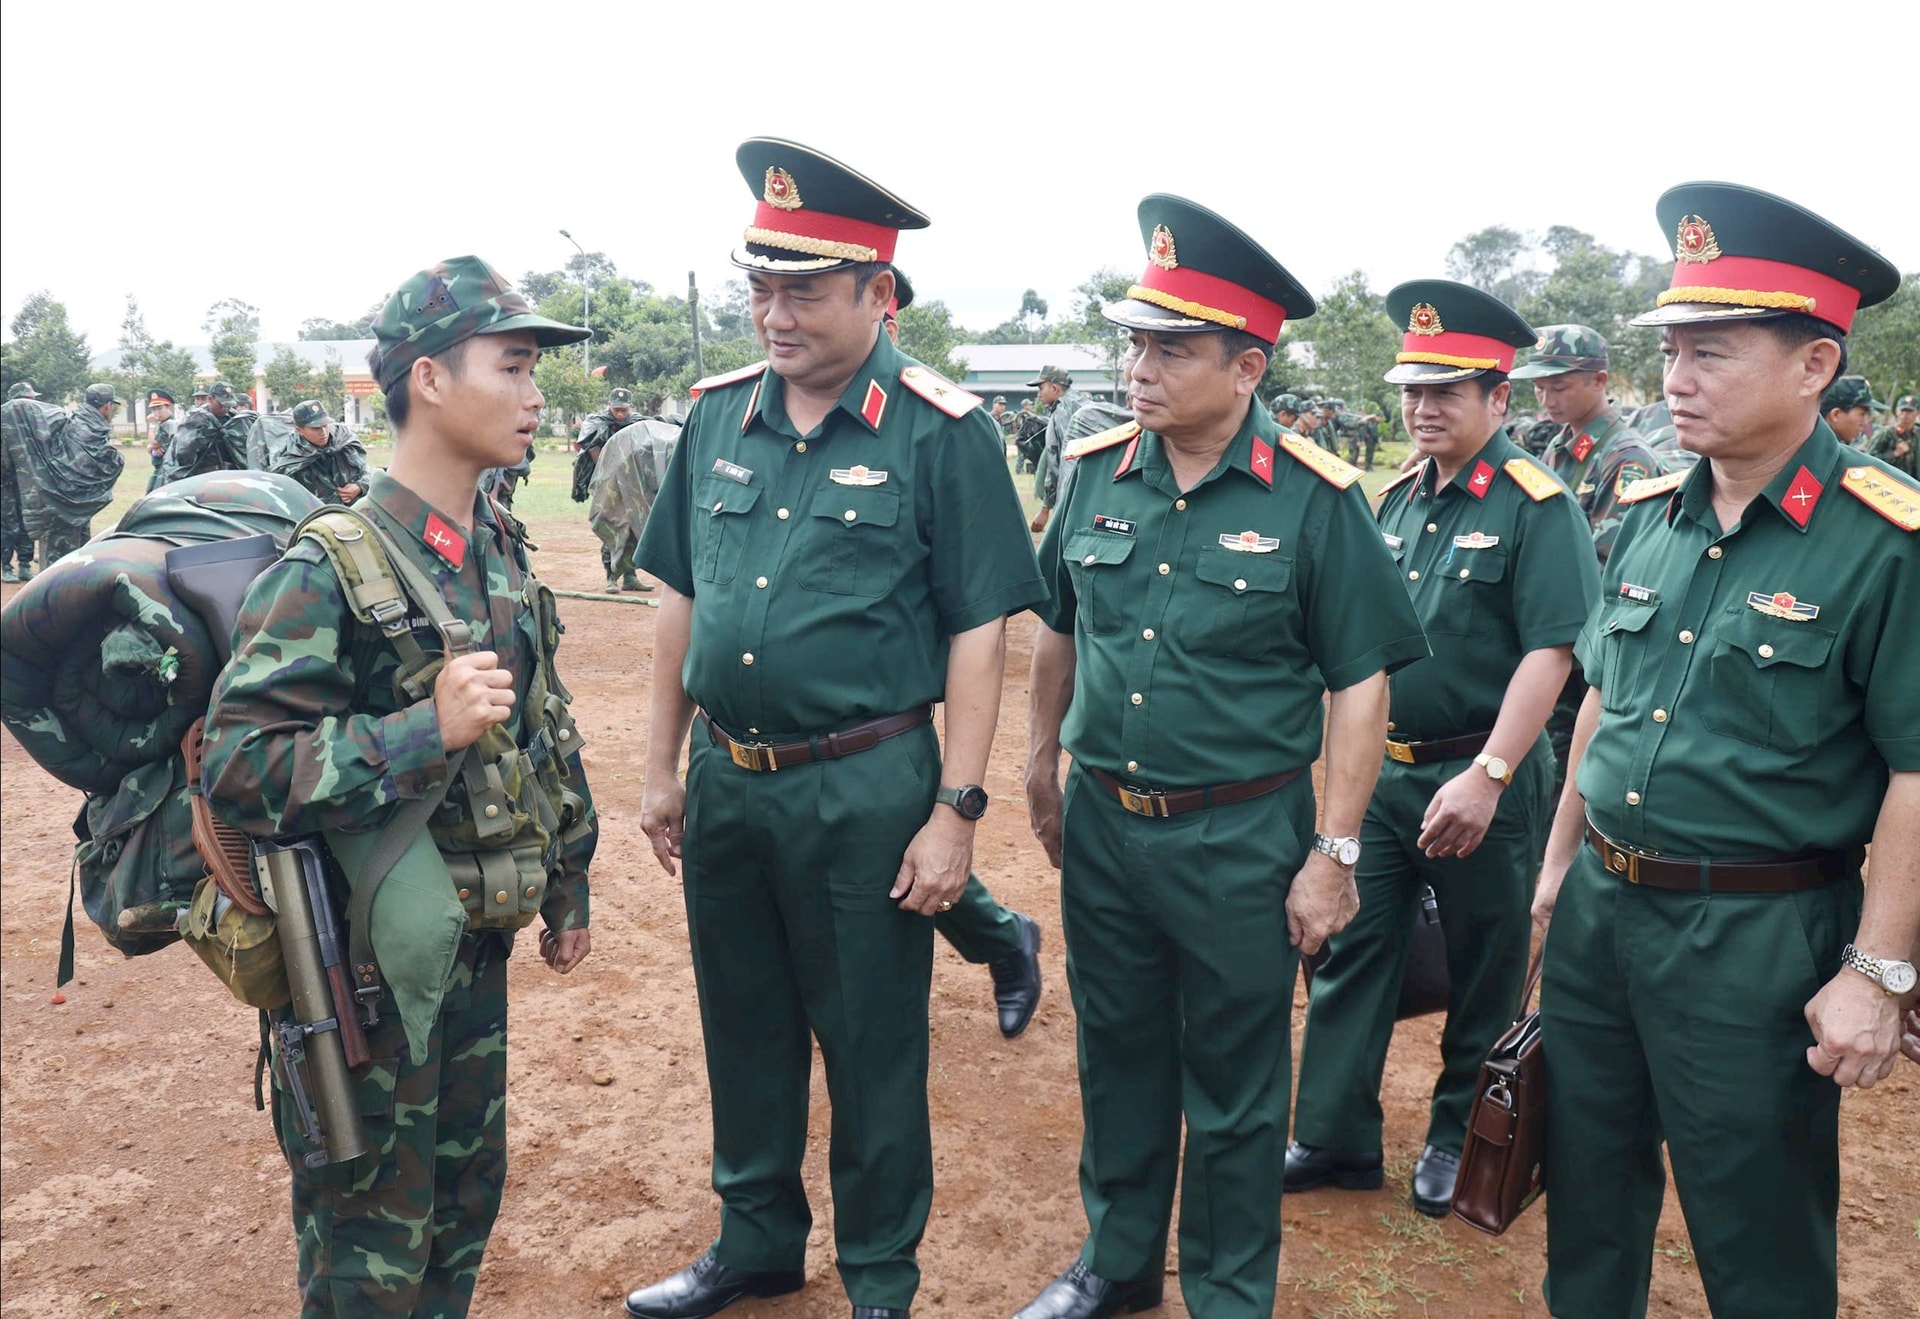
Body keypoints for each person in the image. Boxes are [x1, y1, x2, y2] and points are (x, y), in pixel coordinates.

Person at [627, 137, 1046, 1319]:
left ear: (879, 292)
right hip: (729, 777)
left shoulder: (941, 430)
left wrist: (955, 810)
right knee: (745, 1025)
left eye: (805, 290)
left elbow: (978, 634)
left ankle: (879, 1278)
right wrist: (660, 767)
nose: (776, 313)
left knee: (869, 1044)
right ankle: (756, 1238)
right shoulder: (715, 417)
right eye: (762, 287)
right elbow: (679, 599)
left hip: (865, 783)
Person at [1017, 194, 1428, 1319]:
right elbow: (1059, 626)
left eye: (1171, 350)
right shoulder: (1095, 471)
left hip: (1241, 833)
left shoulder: (1317, 499)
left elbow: (1360, 681)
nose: (1138, 368)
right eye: (1134, 343)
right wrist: (1041, 762)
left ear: (1246, 367)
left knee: (1238, 1081)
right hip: (1106, 822)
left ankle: (1231, 1290)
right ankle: (1117, 1261)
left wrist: (1333, 851)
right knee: (1117, 1051)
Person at [1531, 181, 1918, 1318]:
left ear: (1814, 364)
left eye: (1713, 352)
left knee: (1757, 1227)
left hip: (1755, 934)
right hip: (1603, 910)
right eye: (1670, 351)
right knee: (1587, 1193)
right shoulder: (1649, 513)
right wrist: (1558, 865)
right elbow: (1603, 701)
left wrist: (1878, 970)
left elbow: (1916, 767)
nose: (1677, 379)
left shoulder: (1887, 541)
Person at [202, 255, 598, 1317]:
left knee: (462, 1212)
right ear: (429, 378)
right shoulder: (327, 565)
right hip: (363, 985)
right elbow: (237, 766)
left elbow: (541, 728)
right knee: (370, 1250)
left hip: (472, 957)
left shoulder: (495, 543)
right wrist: (421, 730)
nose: (534, 393)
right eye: (512, 366)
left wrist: (568, 882)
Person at [1287, 282, 1600, 1218]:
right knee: (1351, 945)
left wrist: (1490, 774)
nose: (1423, 408)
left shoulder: (1536, 505)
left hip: (1483, 776)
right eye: (1413, 392)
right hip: (1386, 772)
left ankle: (1459, 1132)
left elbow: (1553, 650)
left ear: (1498, 398)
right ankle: (1334, 1132)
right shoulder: (1391, 498)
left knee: (1485, 959)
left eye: (1446, 392)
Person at [1509, 324, 1660, 798]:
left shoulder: (1626, 459)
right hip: (1553, 634)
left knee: (1572, 773)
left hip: (1589, 650)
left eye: (1559, 386)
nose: (1546, 399)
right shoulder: (1559, 447)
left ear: (1599, 381)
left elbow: (1607, 567)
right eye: (1539, 387)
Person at [40, 382, 126, 561]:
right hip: (67, 501)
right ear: (107, 406)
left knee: (79, 550)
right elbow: (89, 464)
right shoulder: (88, 428)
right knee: (61, 556)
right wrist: (117, 458)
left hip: (75, 500)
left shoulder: (78, 420)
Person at [575, 387, 642, 590]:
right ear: (609, 406)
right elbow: (593, 449)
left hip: (631, 484)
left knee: (633, 529)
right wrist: (609, 473)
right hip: (608, 484)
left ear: (630, 407)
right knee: (611, 526)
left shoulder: (637, 423)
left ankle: (630, 576)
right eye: (616, 409)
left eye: (624, 410)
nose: (620, 414)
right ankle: (611, 577)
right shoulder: (598, 423)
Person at [271, 399, 369, 505]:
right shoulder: (290, 457)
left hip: (357, 509)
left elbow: (365, 469)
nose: (323, 432)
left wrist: (360, 486)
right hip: (317, 512)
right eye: (316, 428)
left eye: (325, 425)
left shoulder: (343, 440)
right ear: (299, 430)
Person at [1028, 364, 1087, 532]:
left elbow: (1057, 460)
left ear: (1054, 388)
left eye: (1041, 388)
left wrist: (1046, 507)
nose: (1038, 394)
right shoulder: (1083, 404)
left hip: (1071, 494)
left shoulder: (1062, 411)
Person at [1, 380, 37, 580]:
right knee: (7, 524)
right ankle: (6, 567)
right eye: (29, 399)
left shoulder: (33, 422)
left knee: (28, 523)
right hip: (5, 482)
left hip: (27, 481)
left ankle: (25, 564)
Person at [1819, 373, 1881, 447]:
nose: (1865, 423)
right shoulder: (1818, 448)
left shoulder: (1828, 443)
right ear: (1836, 415)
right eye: (1862, 415)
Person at [1870, 390, 1917, 475]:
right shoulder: (1885, 433)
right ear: (1896, 411)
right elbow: (1869, 458)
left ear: (1918, 413)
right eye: (1902, 411)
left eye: (1909, 411)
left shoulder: (1917, 434)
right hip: (1889, 479)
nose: (1905, 415)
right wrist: (1894, 454)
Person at [144, 388, 177, 492]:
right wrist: (151, 448)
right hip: (160, 468)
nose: (156, 412)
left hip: (167, 470)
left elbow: (154, 443)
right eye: (153, 409)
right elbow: (153, 446)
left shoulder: (170, 424)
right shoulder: (163, 424)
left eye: (159, 408)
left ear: (169, 407)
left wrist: (151, 425)